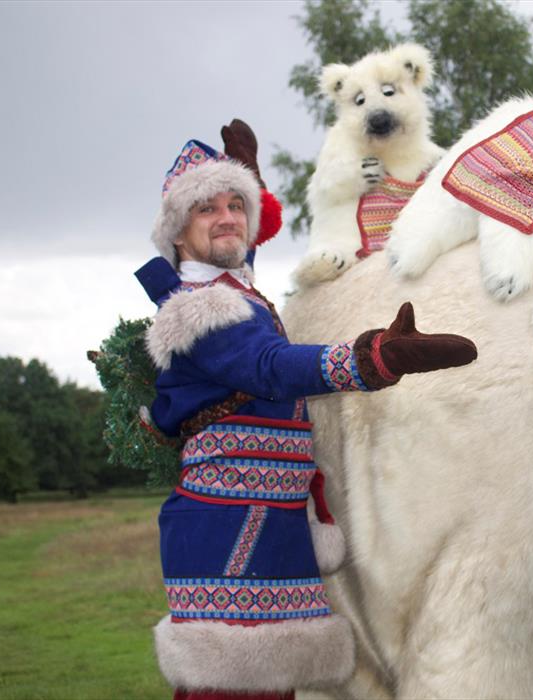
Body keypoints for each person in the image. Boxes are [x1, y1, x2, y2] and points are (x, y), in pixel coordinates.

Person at [136, 124, 477, 700]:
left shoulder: (234, 287)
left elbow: (244, 240)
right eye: (206, 209)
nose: (227, 219)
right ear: (177, 233)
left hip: (261, 520)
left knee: (270, 687)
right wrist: (373, 359)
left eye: (235, 205)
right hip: (231, 532)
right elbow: (269, 366)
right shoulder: (201, 310)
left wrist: (249, 177)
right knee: (229, 689)